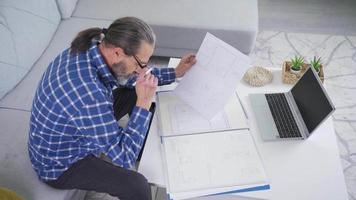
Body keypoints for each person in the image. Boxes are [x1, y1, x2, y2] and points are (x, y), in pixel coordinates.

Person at [28, 16, 196, 200]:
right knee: (136, 186)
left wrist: (175, 72)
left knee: (131, 89)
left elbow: (136, 77)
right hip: (60, 165)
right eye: (140, 63)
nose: (142, 69)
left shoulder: (94, 46)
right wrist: (144, 103)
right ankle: (135, 143)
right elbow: (123, 159)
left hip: (76, 126)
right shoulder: (89, 94)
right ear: (118, 53)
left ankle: (141, 145)